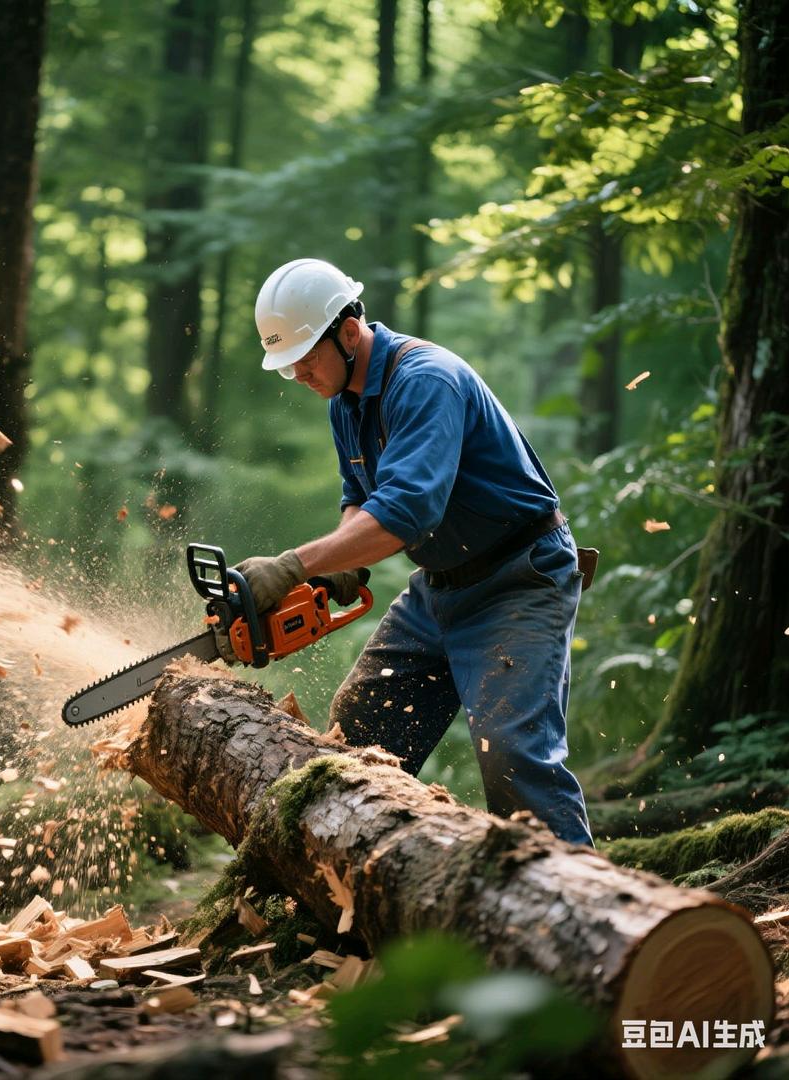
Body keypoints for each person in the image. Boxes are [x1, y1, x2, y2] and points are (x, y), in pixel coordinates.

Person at [224, 257, 593, 847]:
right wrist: (337, 567)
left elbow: (404, 512)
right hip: (440, 586)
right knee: (360, 732)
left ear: (349, 331)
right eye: (286, 363)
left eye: (304, 357)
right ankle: (378, 890)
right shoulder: (344, 400)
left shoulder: (425, 380)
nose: (297, 373)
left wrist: (294, 564)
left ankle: (581, 914)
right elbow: (361, 499)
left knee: (515, 758)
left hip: (517, 579)